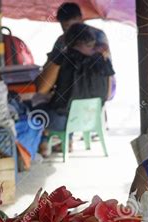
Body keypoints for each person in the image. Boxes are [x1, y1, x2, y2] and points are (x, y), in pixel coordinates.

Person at [36, 23, 114, 155]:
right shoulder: (104, 61)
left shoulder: (62, 58)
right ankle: (62, 142)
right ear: (92, 41)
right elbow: (107, 95)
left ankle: (43, 143)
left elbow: (42, 89)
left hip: (62, 122)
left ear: (66, 41)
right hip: (91, 121)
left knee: (30, 111)